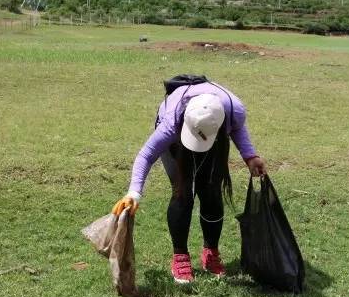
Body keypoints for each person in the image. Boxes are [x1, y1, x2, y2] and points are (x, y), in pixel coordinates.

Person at [112, 77, 266, 283]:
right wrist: (134, 192)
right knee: (182, 192)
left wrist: (250, 156)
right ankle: (180, 256)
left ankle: (211, 252)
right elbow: (146, 155)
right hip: (177, 142)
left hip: (214, 141)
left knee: (211, 192)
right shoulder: (172, 120)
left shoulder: (233, 109)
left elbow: (236, 126)